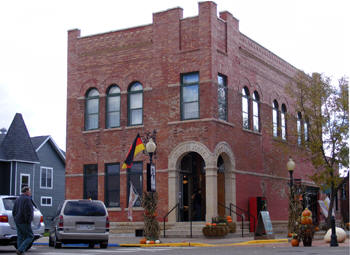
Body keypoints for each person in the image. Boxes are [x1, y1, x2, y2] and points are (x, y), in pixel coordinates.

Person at [12, 186, 34, 255]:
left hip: (17, 221)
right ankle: (20, 250)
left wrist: (15, 219)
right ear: (26, 191)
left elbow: (14, 211)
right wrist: (28, 220)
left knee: (20, 237)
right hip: (24, 221)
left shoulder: (17, 199)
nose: (30, 193)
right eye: (29, 191)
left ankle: (21, 252)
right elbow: (28, 211)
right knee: (30, 236)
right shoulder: (27, 199)